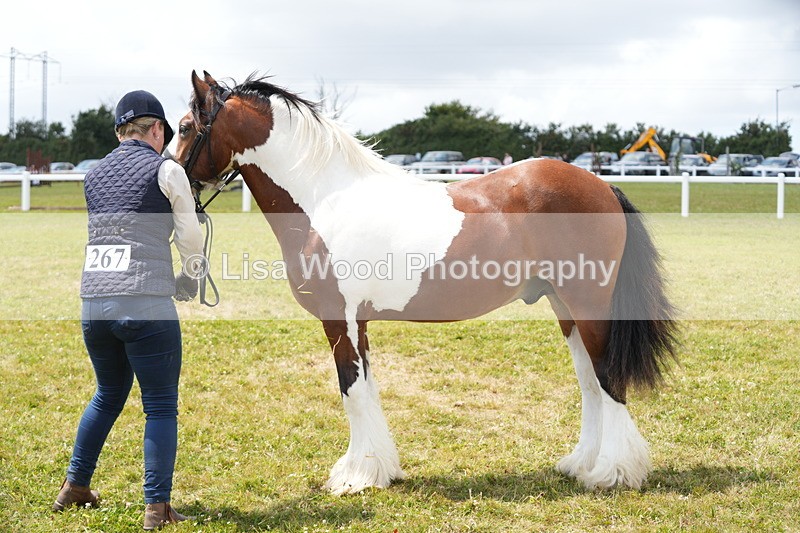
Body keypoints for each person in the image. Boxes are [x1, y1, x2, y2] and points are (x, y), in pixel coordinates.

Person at [53, 90, 205, 530]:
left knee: (107, 394)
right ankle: (157, 507)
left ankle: (75, 486)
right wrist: (191, 275)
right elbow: (190, 238)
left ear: (120, 131)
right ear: (157, 130)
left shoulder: (93, 174)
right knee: (159, 406)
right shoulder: (167, 169)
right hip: (145, 302)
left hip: (95, 303)